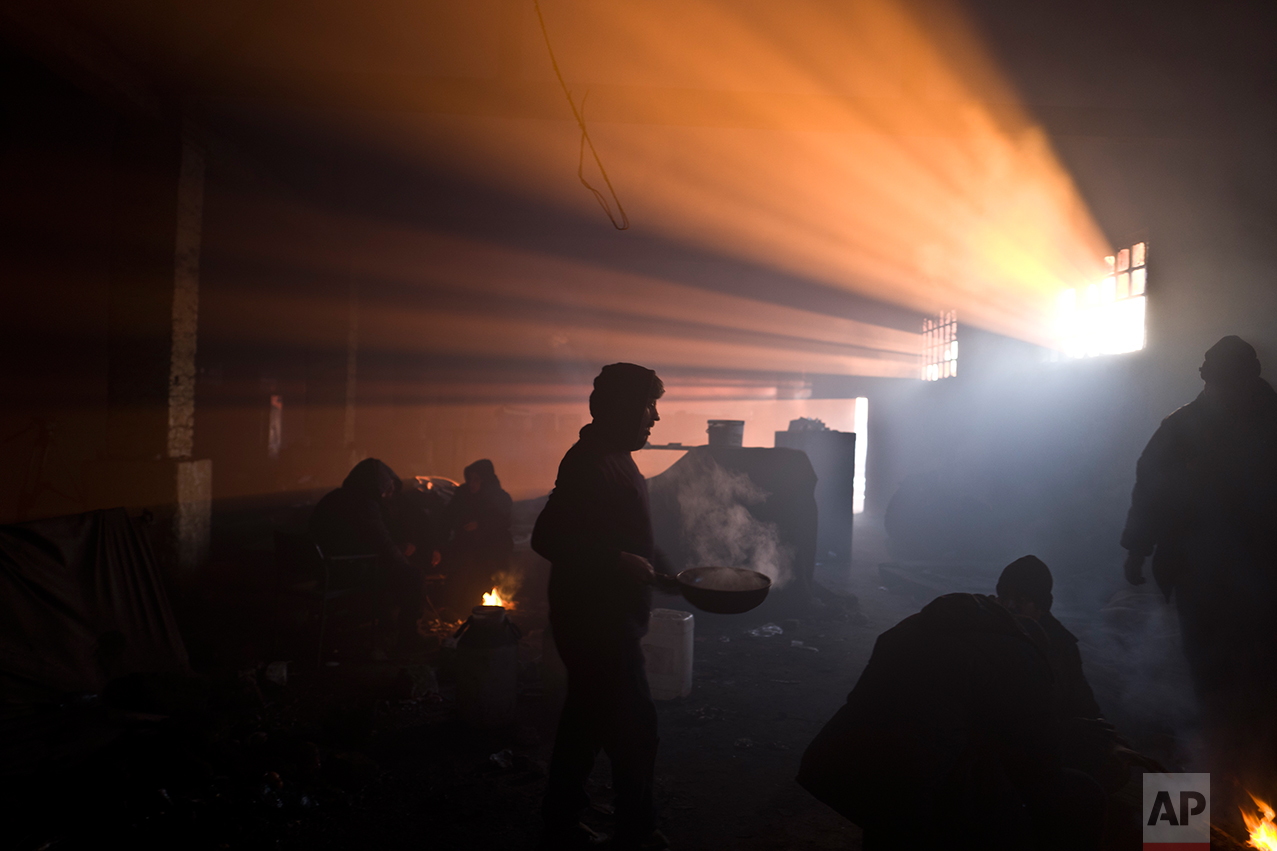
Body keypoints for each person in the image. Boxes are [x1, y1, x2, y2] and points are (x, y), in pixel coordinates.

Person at [797, 592, 1105, 851]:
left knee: (893, 812)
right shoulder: (1025, 659)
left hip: (839, 762)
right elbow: (1039, 761)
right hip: (918, 786)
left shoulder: (919, 626)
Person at [532, 363, 675, 851]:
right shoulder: (588, 461)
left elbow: (629, 534)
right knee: (637, 729)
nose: (655, 417)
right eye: (648, 406)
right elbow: (547, 536)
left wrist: (670, 573)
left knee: (585, 723)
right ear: (622, 409)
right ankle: (636, 832)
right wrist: (616, 562)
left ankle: (560, 822)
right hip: (596, 624)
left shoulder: (619, 457)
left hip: (608, 620)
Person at [1121, 335, 1277, 781]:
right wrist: (1136, 547)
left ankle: (1247, 762)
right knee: (1209, 670)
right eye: (1217, 382)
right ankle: (1218, 760)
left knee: (1260, 670)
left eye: (1230, 382)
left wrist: (1138, 549)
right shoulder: (1179, 428)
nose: (1222, 391)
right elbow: (1149, 490)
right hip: (1200, 576)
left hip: (1263, 577)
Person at [308, 458, 420, 653]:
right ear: (379, 485)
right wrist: (404, 564)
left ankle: (387, 627)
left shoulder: (335, 497)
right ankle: (408, 639)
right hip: (346, 572)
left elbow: (358, 539)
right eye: (388, 485)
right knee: (413, 576)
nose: (391, 490)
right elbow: (382, 542)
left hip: (324, 569)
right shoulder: (365, 504)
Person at [442, 459, 514, 609]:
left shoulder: (499, 498)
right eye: (470, 479)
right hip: (465, 544)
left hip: (491, 546)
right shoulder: (463, 495)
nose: (472, 483)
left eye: (477, 480)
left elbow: (503, 520)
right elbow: (449, 517)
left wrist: (480, 525)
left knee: (482, 575)